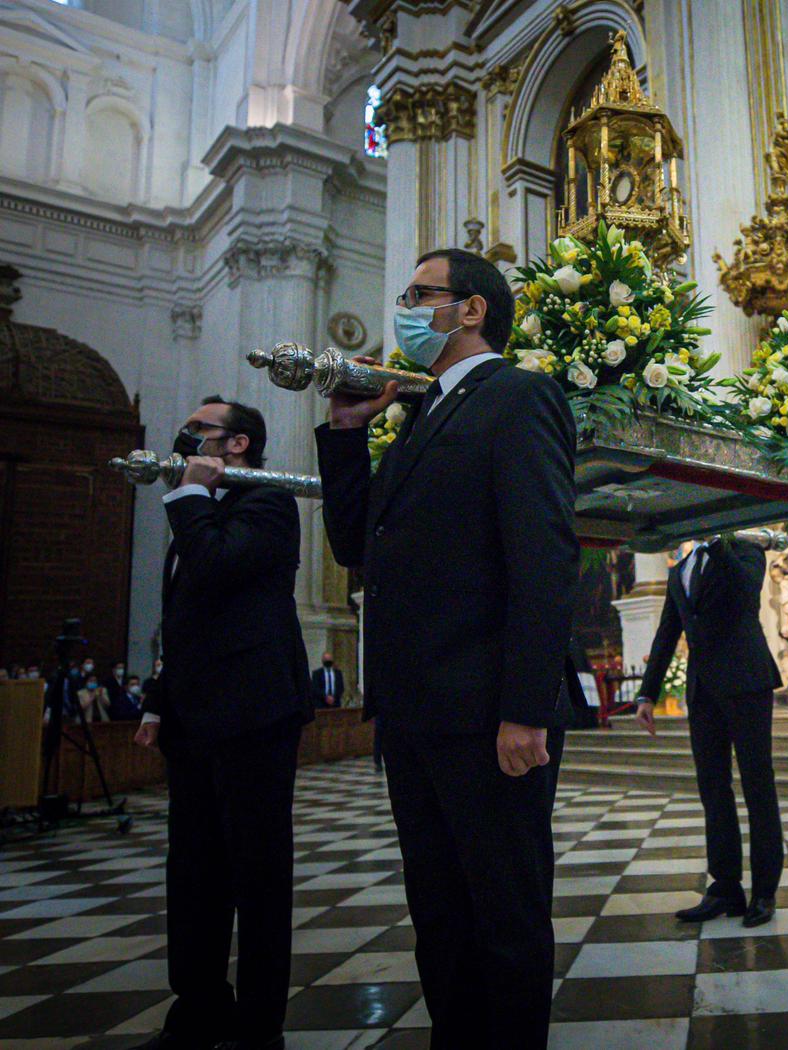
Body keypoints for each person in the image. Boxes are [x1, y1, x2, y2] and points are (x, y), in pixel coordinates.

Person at [317, 247, 581, 1049]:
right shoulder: (423, 417)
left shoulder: (520, 396)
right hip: (414, 714)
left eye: (418, 294)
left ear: (470, 309)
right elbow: (354, 541)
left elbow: (543, 558)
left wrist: (527, 710)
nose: (404, 308)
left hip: (485, 715)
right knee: (438, 913)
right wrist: (344, 433)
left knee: (503, 914)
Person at [131, 396, 313, 1050]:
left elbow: (214, 565)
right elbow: (183, 613)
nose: (185, 435)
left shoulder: (264, 502)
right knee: (194, 870)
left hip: (254, 711)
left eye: (200, 428)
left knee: (257, 874)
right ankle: (199, 1006)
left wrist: (187, 500)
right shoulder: (196, 507)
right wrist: (156, 697)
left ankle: (259, 1026)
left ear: (237, 444)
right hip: (192, 713)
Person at [636, 535, 785, 929]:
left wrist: (721, 540)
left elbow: (745, 590)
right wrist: (647, 692)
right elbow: (668, 630)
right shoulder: (680, 568)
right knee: (713, 789)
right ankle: (725, 887)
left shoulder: (745, 551)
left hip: (747, 681)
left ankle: (765, 890)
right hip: (702, 690)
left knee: (757, 786)